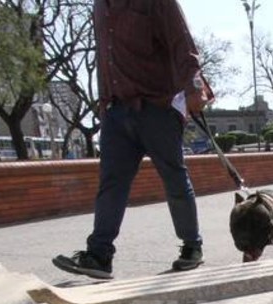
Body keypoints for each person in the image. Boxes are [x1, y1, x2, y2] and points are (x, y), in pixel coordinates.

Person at [52, 0, 213, 280]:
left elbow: (182, 43)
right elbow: (105, 56)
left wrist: (195, 88)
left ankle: (192, 246)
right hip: (116, 109)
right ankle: (99, 254)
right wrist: (104, 108)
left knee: (174, 177)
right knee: (111, 183)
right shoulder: (100, 5)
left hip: (157, 107)